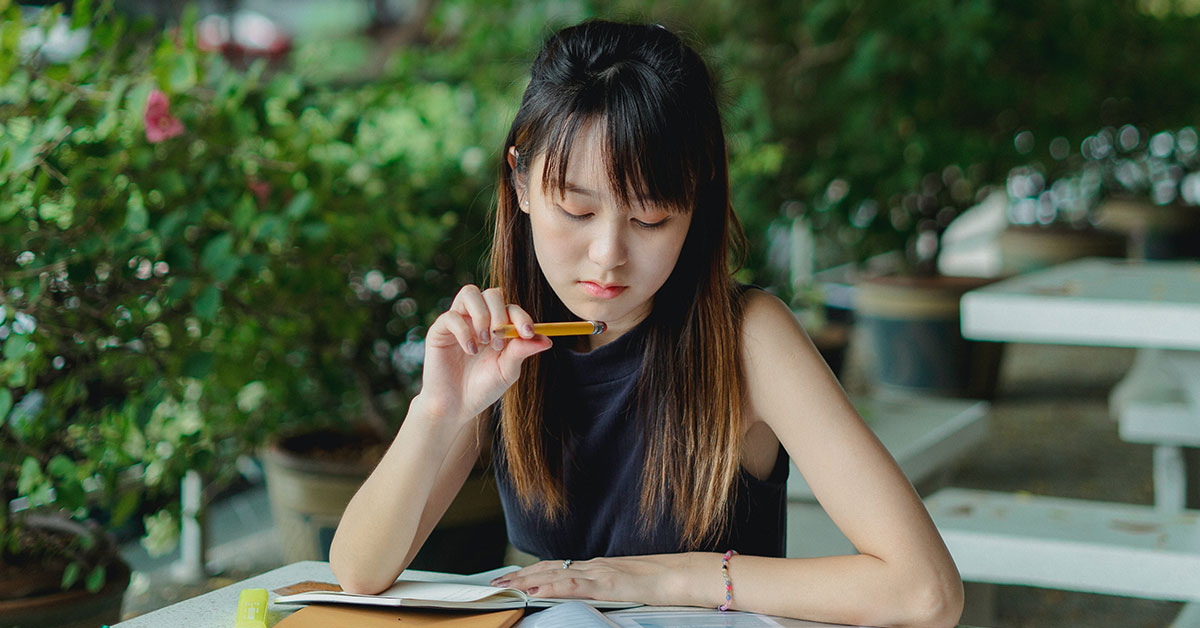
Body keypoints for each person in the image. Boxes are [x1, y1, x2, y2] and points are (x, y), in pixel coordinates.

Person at [330, 20, 963, 628]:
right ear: (520, 183)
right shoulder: (505, 341)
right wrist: (438, 412)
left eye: (651, 219)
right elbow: (359, 572)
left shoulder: (749, 338)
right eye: (577, 210)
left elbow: (925, 590)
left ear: (696, 202)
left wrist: (666, 579)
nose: (609, 254)